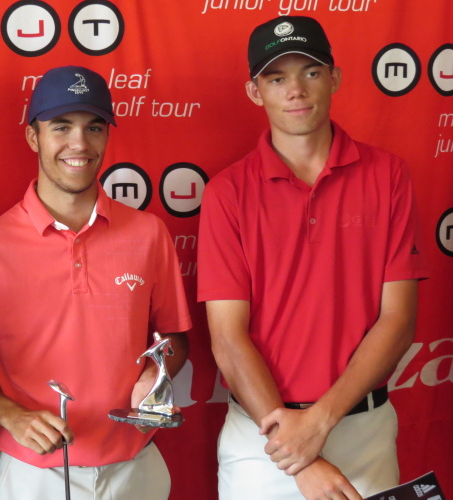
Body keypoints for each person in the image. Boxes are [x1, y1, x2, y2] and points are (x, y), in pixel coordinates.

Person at [197, 16, 428, 500]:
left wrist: (319, 423)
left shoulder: (388, 175)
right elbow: (228, 338)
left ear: (335, 78)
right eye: (276, 78)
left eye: (311, 72)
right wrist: (297, 451)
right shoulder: (227, 192)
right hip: (261, 437)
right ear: (255, 91)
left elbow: (398, 320)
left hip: (362, 430)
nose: (295, 90)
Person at [0, 65, 192, 500]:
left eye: (94, 127)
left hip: (136, 466)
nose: (80, 143)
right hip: (34, 475)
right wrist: (12, 416)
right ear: (33, 137)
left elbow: (174, 336)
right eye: (61, 126)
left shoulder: (149, 233)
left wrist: (155, 373)